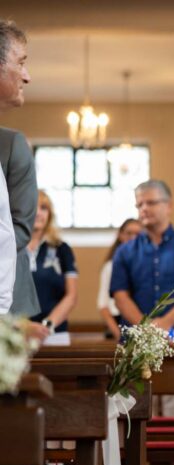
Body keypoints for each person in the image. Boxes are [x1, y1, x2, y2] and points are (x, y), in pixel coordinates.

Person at [109, 180, 174, 344]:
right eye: (139, 204)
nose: (144, 209)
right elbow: (120, 296)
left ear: (169, 206)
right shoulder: (124, 251)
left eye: (151, 203)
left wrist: (166, 323)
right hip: (135, 341)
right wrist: (146, 327)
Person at [0, 20, 40, 318]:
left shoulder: (13, 144)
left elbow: (17, 230)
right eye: (21, 63)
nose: (27, 76)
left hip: (10, 301)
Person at [26, 190, 77, 344]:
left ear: (50, 214)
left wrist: (46, 326)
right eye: (31, 207)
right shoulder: (8, 247)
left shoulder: (62, 249)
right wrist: (24, 327)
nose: (38, 213)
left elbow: (71, 296)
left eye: (43, 208)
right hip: (15, 334)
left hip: (54, 335)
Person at [97, 218, 141, 339]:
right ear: (120, 235)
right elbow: (103, 304)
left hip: (142, 321)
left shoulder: (148, 264)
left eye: (137, 234)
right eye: (129, 233)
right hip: (118, 322)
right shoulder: (110, 266)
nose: (133, 237)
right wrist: (118, 333)